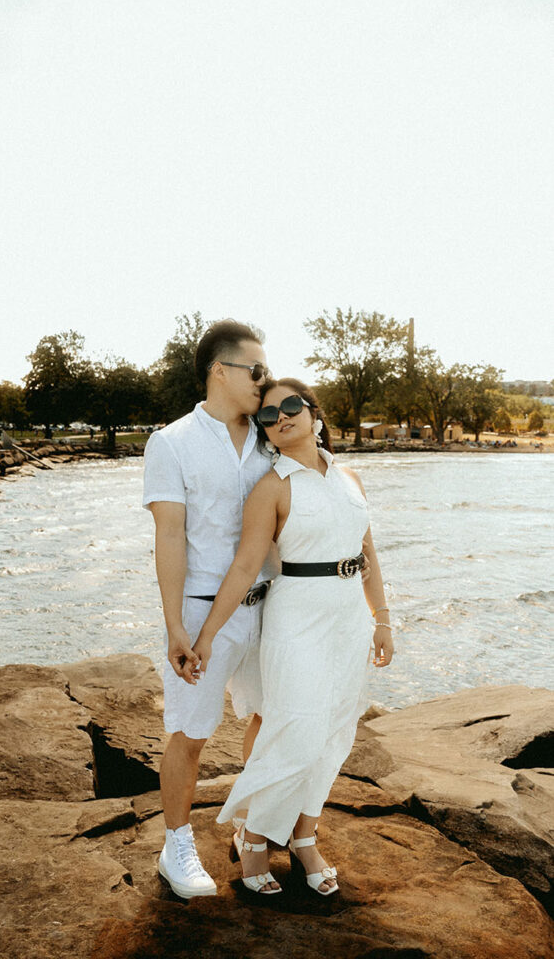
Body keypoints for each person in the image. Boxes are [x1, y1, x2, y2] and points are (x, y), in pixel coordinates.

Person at [186, 378, 393, 896]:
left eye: (291, 406)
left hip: (349, 622)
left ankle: (304, 836)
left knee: (333, 736)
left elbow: (366, 554)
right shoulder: (272, 487)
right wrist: (206, 634)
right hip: (296, 621)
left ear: (314, 412)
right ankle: (252, 839)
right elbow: (243, 568)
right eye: (268, 414)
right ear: (265, 431)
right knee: (295, 732)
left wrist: (383, 619)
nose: (281, 417)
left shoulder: (350, 478)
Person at [142, 318, 279, 899]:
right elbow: (170, 536)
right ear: (219, 371)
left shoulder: (272, 437)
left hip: (274, 608)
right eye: (256, 370)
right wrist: (176, 626)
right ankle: (176, 848)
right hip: (203, 612)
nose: (264, 381)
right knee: (191, 733)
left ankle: (248, 826)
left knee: (270, 720)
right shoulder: (171, 442)